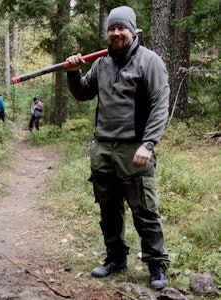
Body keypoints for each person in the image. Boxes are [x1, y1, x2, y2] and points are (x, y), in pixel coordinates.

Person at [65, 6, 170, 290]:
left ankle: (157, 264)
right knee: (108, 209)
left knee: (145, 209)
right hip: (103, 148)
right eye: (111, 29)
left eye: (121, 28)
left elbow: (161, 104)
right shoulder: (101, 63)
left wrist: (148, 143)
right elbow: (83, 94)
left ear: (132, 30)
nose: (115, 33)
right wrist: (74, 74)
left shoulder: (150, 62)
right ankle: (115, 259)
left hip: (135, 147)